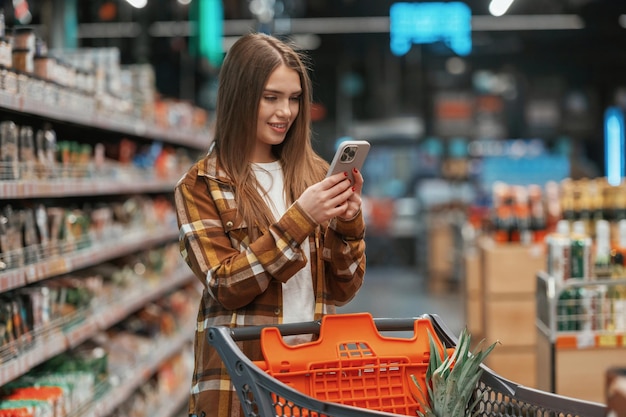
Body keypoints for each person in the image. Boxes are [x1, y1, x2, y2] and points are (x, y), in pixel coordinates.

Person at [174, 32, 367, 417]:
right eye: (271, 97)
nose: (286, 112)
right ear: (240, 96)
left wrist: (348, 222)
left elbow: (345, 288)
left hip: (312, 377)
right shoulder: (201, 184)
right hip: (243, 381)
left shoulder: (314, 173)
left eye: (294, 98)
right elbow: (226, 284)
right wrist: (301, 219)